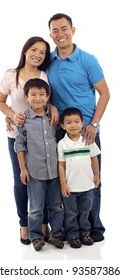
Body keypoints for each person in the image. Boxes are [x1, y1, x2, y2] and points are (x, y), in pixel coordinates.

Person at [46, 13, 110, 242]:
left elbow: (105, 94)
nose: (60, 34)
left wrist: (94, 123)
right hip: (60, 130)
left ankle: (93, 228)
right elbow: (42, 92)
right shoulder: (49, 61)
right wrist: (51, 105)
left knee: (92, 179)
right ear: (50, 34)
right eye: (55, 30)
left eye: (64, 28)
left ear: (73, 30)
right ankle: (69, 230)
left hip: (86, 130)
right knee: (63, 180)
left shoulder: (87, 59)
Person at [0, 36, 56, 245]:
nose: (37, 55)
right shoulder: (10, 75)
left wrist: (54, 108)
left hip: (42, 136)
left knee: (46, 180)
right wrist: (11, 115)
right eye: (34, 50)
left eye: (42, 52)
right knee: (21, 181)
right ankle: (24, 224)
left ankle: (43, 223)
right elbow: (1, 102)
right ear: (25, 51)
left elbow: (48, 100)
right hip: (17, 135)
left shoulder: (44, 75)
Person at [14, 78, 64, 251]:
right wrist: (23, 169)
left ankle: (57, 234)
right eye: (33, 94)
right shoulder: (23, 120)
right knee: (35, 208)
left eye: (42, 94)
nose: (37, 98)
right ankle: (36, 237)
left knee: (56, 205)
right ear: (26, 97)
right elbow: (19, 145)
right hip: (35, 171)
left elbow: (60, 139)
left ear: (47, 97)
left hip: (54, 171)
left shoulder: (54, 118)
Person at [58, 107, 101, 248]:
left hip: (87, 185)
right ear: (63, 126)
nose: (73, 125)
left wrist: (97, 174)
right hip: (71, 186)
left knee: (85, 211)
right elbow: (61, 165)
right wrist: (63, 184)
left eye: (77, 121)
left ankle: (85, 233)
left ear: (82, 122)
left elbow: (94, 158)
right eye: (69, 122)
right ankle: (72, 235)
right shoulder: (62, 144)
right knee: (71, 213)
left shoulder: (88, 140)